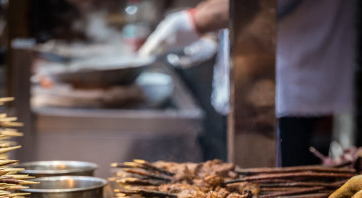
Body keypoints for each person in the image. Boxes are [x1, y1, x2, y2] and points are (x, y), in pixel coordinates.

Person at [139, 0, 356, 166]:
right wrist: (215, 36)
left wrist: (197, 21)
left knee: (277, 186)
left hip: (286, 82)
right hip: (267, 74)